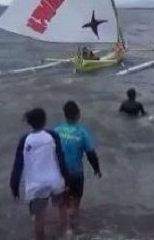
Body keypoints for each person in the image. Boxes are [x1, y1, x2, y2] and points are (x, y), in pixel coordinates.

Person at [10, 108, 70, 240]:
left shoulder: (24, 140)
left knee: (39, 218)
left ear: (30, 123)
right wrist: (67, 179)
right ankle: (66, 235)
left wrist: (14, 187)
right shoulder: (53, 136)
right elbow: (61, 159)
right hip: (55, 182)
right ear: (45, 121)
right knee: (63, 208)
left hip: (36, 186)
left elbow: (17, 167)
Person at [54, 101, 102, 230]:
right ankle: (73, 228)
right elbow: (91, 154)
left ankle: (65, 228)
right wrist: (96, 169)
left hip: (59, 173)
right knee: (75, 202)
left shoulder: (56, 130)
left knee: (64, 203)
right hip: (76, 174)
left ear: (65, 115)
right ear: (78, 114)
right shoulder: (82, 132)